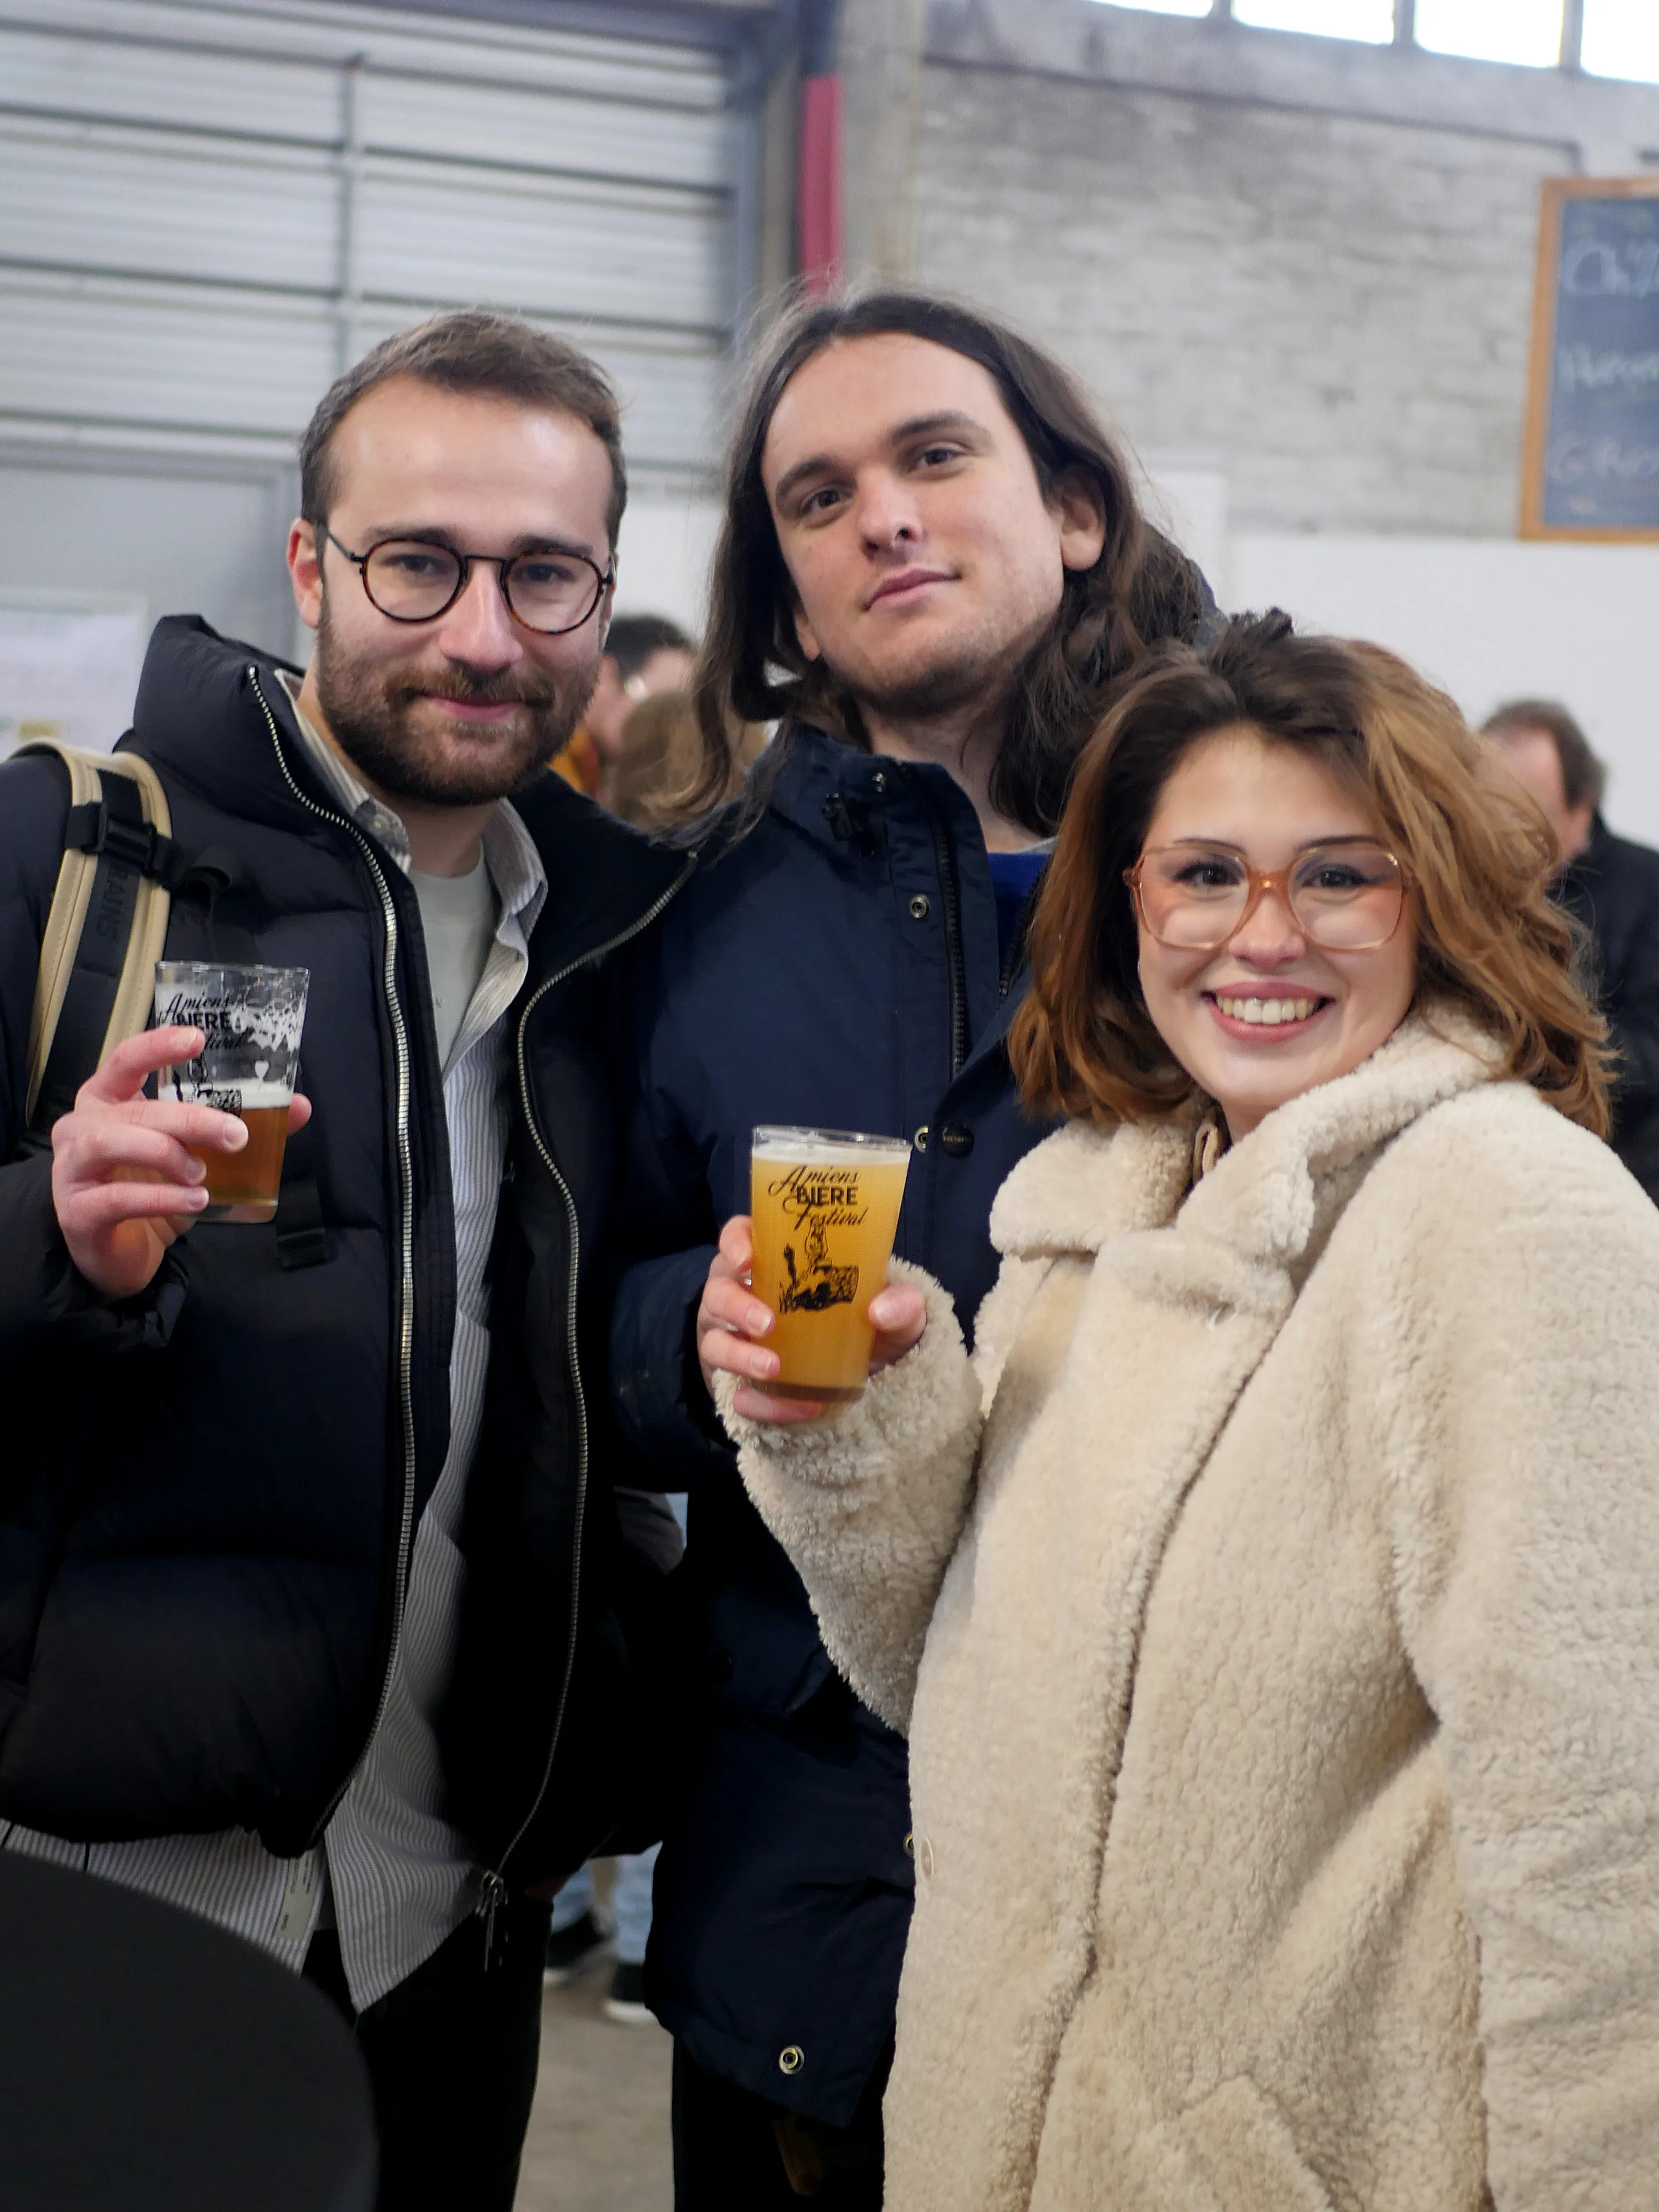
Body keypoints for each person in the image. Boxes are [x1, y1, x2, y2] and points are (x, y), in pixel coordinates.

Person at [709, 612, 1659, 2211]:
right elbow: (939, 1682)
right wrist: (853, 1418)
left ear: (1436, 898)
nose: (1260, 933)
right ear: (1126, 900)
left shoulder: (1505, 1213)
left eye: (1337, 875)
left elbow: (1607, 1838)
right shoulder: (1088, 1207)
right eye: (1203, 872)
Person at [0, 310, 687, 2211]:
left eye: (543, 572)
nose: (483, 631)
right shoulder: (69, 863)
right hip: (94, 1902)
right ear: (309, 565)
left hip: (447, 1922)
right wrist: (44, 1232)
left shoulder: (615, 948)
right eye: (418, 563)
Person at [607, 288, 1211, 2206]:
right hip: (804, 1888)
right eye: (816, 495)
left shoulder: (1248, 879)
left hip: (1177, 1876)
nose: (880, 513)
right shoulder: (688, 911)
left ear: (1075, 507)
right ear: (783, 593)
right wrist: (681, 1330)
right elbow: (578, 1304)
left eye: (934, 455)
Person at [1484, 697, 1659, 1202]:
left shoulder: (1647, 887)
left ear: (1581, 806)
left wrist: (1535, 1043)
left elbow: (1651, 1052)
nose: (1508, 827)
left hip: (1622, 1182)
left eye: (1529, 808)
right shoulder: (1472, 893)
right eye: (1491, 805)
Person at [551, 611, 695, 798]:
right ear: (602, 675)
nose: (673, 728)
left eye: (684, 713)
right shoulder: (546, 768)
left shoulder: (594, 784)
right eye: (659, 704)